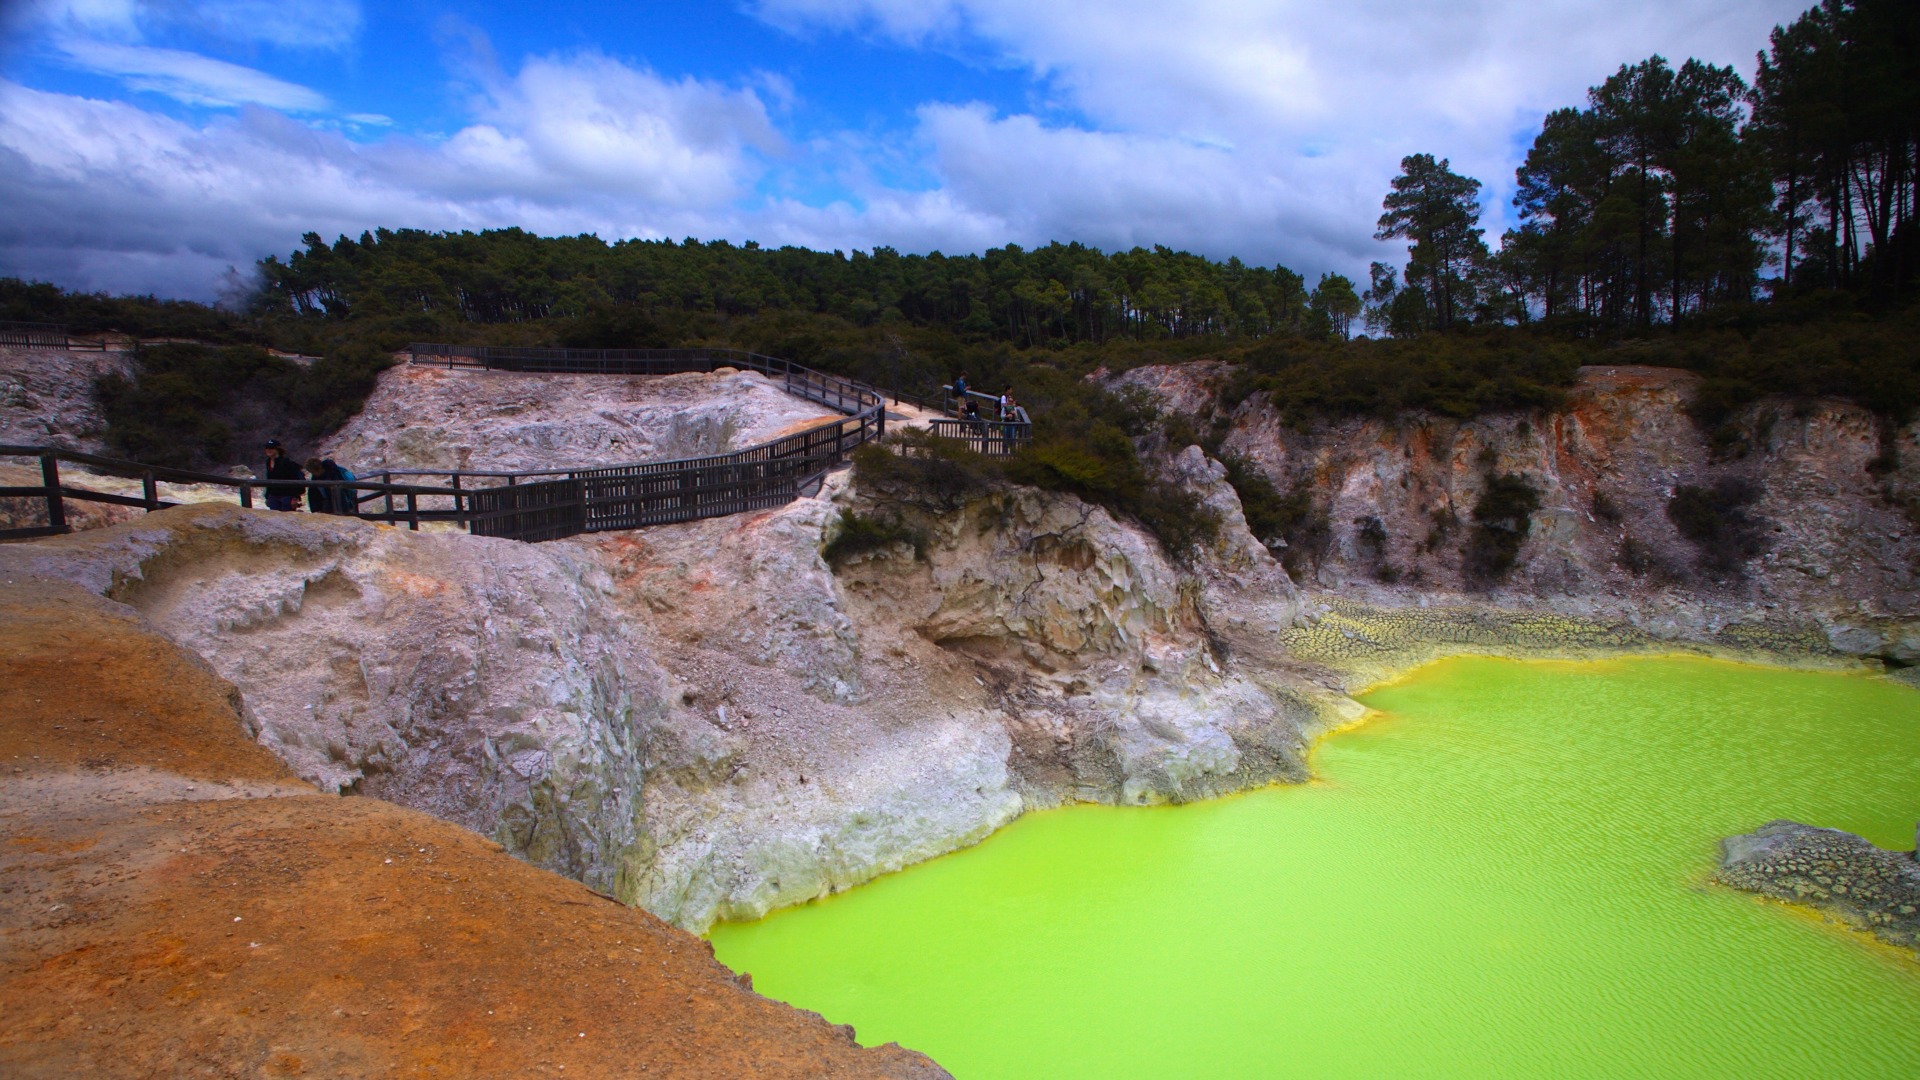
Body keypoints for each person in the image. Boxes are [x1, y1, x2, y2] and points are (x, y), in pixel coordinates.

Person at [262, 440, 305, 512]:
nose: (268, 450)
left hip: (287, 496)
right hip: (273, 496)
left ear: (277, 449)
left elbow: (295, 479)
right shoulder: (268, 462)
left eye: (271, 448)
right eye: (267, 448)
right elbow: (269, 480)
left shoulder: (286, 462)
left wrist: (295, 497)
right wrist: (267, 496)